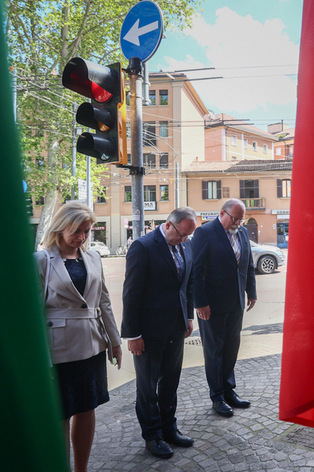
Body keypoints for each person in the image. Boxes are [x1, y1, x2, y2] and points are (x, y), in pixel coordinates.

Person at [34, 201, 123, 472]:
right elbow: (32, 310)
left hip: (92, 344)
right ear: (61, 227)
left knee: (87, 409)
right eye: (77, 231)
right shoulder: (41, 260)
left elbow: (103, 302)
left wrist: (115, 341)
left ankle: (81, 469)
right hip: (56, 350)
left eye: (87, 231)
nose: (82, 237)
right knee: (60, 415)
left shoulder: (93, 257)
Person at [121, 207, 198, 459]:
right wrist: (132, 334)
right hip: (148, 332)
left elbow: (186, 284)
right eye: (182, 235)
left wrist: (188, 316)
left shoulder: (185, 246)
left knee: (170, 382)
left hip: (175, 327)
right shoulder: (143, 247)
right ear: (168, 225)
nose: (185, 240)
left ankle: (169, 428)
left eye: (188, 236)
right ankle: (152, 435)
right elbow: (131, 293)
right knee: (147, 387)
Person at [190, 198, 257, 417]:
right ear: (222, 213)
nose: (238, 222)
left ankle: (229, 391)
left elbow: (248, 265)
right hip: (212, 305)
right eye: (235, 218)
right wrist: (200, 303)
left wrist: (251, 292)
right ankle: (217, 396)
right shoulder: (205, 233)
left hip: (235, 302)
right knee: (214, 351)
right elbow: (196, 271)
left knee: (231, 348)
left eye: (241, 218)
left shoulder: (243, 233)